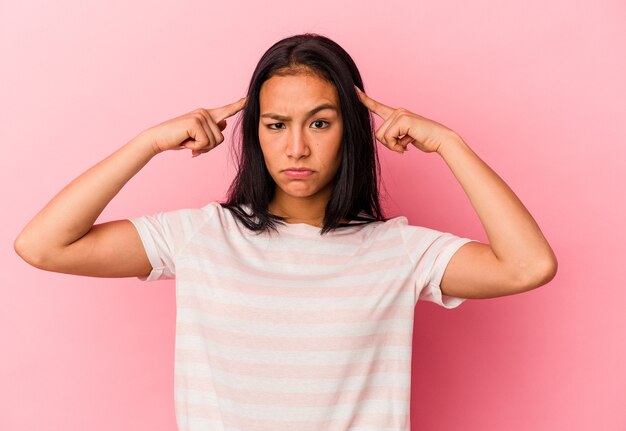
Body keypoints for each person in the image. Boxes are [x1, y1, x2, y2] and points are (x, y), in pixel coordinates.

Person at [14, 33, 557, 430]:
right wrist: (148, 142)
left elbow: (528, 265)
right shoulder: (202, 236)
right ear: (255, 134)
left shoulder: (398, 251)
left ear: (351, 132)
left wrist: (450, 144)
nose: (297, 147)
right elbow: (42, 245)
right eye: (276, 125)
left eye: (320, 122)